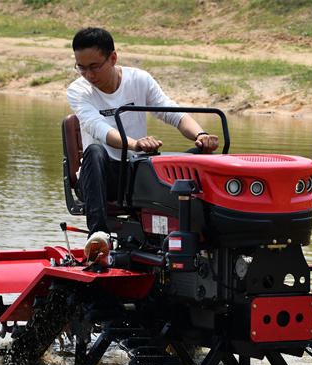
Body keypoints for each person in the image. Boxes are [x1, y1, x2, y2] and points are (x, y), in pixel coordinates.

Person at [66, 27, 219, 264]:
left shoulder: (139, 79)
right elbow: (98, 128)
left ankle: (206, 237)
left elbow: (173, 113)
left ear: (113, 58)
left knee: (199, 157)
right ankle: (99, 235)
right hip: (99, 178)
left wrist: (201, 135)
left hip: (135, 176)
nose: (88, 74)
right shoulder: (78, 90)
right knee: (95, 150)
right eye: (82, 67)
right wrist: (135, 144)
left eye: (95, 66)